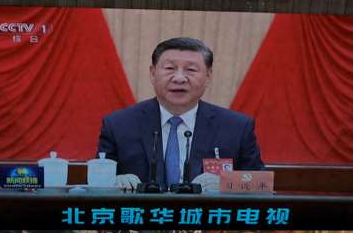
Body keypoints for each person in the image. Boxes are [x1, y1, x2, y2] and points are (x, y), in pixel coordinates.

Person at [97, 37, 264, 191]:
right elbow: (95, 183)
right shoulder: (118, 125)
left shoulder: (237, 127)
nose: (179, 78)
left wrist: (227, 183)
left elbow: (261, 184)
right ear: (153, 73)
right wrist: (112, 182)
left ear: (208, 76)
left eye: (191, 70)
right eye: (170, 68)